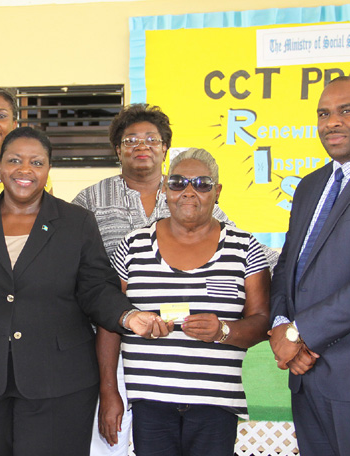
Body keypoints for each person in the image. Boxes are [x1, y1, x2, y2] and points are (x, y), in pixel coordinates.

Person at [0, 127, 170, 456]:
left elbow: (96, 287)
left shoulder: (76, 222)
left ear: (48, 169)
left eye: (36, 162)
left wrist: (127, 316)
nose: (25, 170)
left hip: (60, 381)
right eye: (14, 160)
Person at [71, 104, 250, 454]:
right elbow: (73, 271)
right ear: (117, 149)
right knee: (108, 444)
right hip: (108, 345)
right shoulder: (88, 201)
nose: (142, 145)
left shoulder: (192, 195)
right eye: (131, 139)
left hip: (179, 359)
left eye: (152, 138)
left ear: (165, 148)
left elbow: (237, 249)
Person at [109, 148, 270, 456]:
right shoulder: (132, 246)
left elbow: (262, 322)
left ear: (217, 191)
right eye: (179, 182)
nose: (189, 192)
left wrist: (223, 331)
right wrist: (109, 391)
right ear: (165, 189)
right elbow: (109, 320)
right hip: (148, 402)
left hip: (215, 405)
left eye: (202, 183)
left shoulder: (244, 248)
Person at [269, 76, 350, 455]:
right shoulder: (310, 186)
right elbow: (287, 266)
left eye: (346, 111)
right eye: (323, 113)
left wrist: (300, 335)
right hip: (306, 379)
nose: (332, 122)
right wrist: (282, 324)